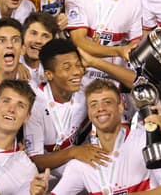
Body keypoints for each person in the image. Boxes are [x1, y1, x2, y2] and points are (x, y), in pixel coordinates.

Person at [51, 79, 161, 194]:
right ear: (89, 113)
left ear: (120, 107)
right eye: (94, 105)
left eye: (107, 102)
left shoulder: (145, 139)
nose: (100, 108)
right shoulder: (82, 163)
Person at [24, 38, 108, 178]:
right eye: (67, 67)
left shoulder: (87, 91)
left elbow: (132, 82)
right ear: (49, 74)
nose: (76, 72)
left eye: (78, 65)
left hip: (79, 161)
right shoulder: (35, 104)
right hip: (46, 175)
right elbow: (35, 161)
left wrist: (95, 62)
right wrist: (73, 152)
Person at [20, 12, 59, 86]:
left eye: (45, 36)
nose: (38, 41)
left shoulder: (53, 68)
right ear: (23, 35)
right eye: (33, 33)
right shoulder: (9, 65)